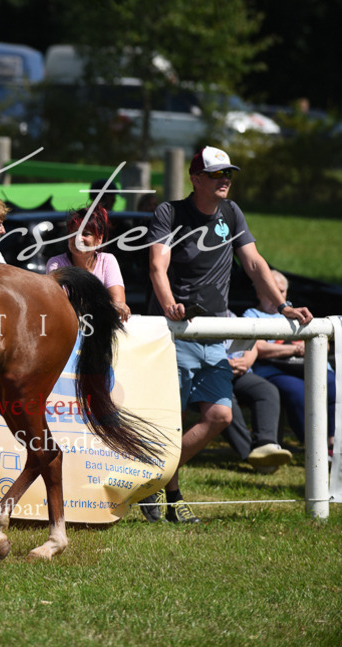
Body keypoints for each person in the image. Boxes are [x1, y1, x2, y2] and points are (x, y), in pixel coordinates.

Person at [143, 146, 313, 524]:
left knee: (220, 415)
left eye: (229, 174)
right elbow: (158, 264)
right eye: (217, 174)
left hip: (215, 333)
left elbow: (253, 262)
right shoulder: (169, 213)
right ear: (196, 179)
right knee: (170, 420)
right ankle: (170, 494)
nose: (225, 180)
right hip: (178, 332)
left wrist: (281, 306)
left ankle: (153, 481)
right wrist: (169, 304)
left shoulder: (232, 212)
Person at [245, 270, 335, 454]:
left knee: (335, 388)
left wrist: (308, 347)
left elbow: (324, 345)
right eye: (272, 291)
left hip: (310, 367)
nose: (277, 296)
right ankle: (316, 448)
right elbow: (259, 348)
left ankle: (334, 443)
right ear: (259, 292)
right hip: (276, 370)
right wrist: (296, 349)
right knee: (298, 393)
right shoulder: (252, 315)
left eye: (282, 291)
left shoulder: (298, 314)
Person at [221, 323, 293, 473]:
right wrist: (226, 364)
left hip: (241, 372)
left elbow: (253, 343)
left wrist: (246, 362)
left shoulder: (233, 317)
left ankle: (266, 444)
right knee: (224, 403)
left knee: (266, 390)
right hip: (213, 375)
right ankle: (253, 456)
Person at [46, 207, 130, 322]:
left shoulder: (108, 261)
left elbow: (119, 305)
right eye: (73, 233)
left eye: (86, 234)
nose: (78, 239)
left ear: (99, 239)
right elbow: (58, 306)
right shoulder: (56, 264)